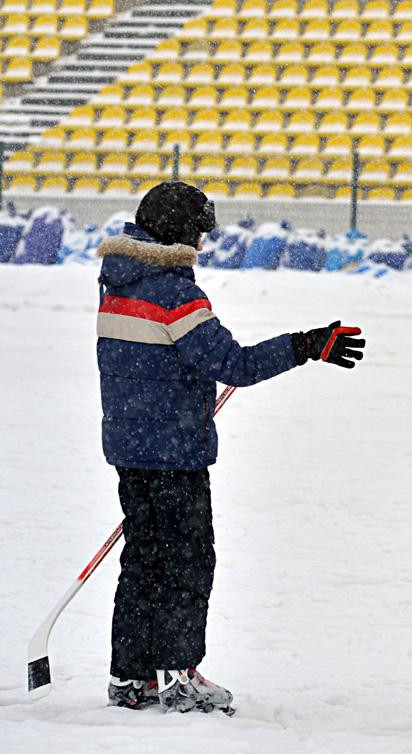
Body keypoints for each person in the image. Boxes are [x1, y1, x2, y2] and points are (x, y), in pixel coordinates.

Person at [98, 181, 366, 713]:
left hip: (130, 447)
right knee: (187, 564)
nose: (203, 240)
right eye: (199, 230)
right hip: (175, 454)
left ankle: (130, 678)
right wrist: (306, 345)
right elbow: (233, 365)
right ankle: (178, 676)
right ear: (179, 232)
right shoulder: (177, 294)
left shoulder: (115, 282)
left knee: (143, 561)